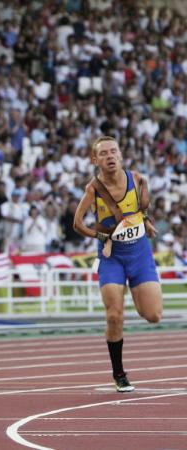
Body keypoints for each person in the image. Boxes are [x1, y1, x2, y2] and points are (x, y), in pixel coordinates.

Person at [73, 135, 162, 392]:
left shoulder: (136, 179)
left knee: (153, 315)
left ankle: (138, 295)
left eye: (114, 151)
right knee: (114, 315)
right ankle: (119, 373)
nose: (110, 156)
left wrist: (144, 221)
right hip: (111, 257)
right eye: (104, 153)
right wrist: (103, 237)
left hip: (140, 253)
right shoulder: (93, 189)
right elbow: (78, 224)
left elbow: (139, 205)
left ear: (121, 155)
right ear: (95, 160)